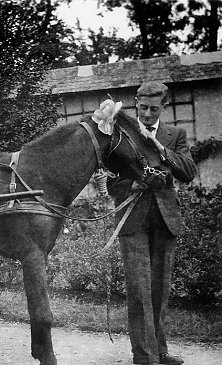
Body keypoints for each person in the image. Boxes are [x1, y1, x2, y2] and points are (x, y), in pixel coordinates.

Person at [108, 82, 197, 365]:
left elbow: (188, 172)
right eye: (142, 107)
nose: (147, 114)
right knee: (138, 288)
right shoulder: (121, 134)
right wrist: (132, 184)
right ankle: (144, 357)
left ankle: (160, 351)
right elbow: (110, 182)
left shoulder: (176, 134)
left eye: (153, 109)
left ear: (164, 107)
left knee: (160, 287)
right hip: (133, 219)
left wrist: (158, 145)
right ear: (136, 102)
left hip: (165, 219)